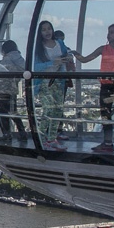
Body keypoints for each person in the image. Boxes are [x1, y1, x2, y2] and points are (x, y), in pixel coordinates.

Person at [73, 24, 114, 153]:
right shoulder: (104, 49)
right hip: (108, 85)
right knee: (106, 115)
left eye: (112, 32)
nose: (109, 34)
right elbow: (85, 59)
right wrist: (75, 54)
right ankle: (109, 143)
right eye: (109, 32)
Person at [32, 21, 73, 151]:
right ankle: (42, 139)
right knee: (48, 109)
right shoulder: (38, 48)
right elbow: (34, 67)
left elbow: (67, 54)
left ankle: (51, 139)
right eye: (44, 30)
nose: (47, 32)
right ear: (40, 33)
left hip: (58, 80)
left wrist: (67, 58)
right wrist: (51, 62)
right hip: (45, 81)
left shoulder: (59, 43)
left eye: (49, 29)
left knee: (58, 110)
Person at [0, 40, 28, 142]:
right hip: (7, 90)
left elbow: (23, 68)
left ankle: (9, 134)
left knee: (6, 113)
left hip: (3, 89)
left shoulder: (12, 56)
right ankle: (18, 133)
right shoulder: (12, 58)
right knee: (10, 112)